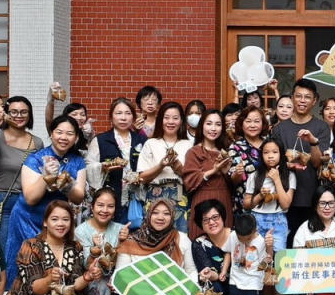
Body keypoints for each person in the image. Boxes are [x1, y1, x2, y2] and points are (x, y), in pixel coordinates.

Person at [6, 115, 87, 287]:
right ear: (51, 134)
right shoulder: (35, 159)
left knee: (53, 266)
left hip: (56, 221)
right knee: (25, 262)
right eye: (59, 132)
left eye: (69, 133)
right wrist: (46, 176)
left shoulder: (77, 161)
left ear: (76, 137)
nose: (63, 137)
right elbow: (30, 198)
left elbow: (78, 197)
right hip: (27, 218)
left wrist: (67, 183)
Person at [116, 199, 198, 295]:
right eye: (155, 213)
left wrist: (189, 293)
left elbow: (191, 271)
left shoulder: (182, 239)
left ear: (172, 216)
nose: (161, 217)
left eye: (166, 213)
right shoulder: (132, 241)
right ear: (148, 215)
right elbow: (122, 273)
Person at [243, 137, 295, 295]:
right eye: (266, 152)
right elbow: (247, 204)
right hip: (257, 222)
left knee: (279, 269)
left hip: (278, 223)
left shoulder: (288, 175)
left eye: (274, 152)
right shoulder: (254, 175)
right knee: (262, 269)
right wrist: (259, 196)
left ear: (281, 154)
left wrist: (275, 180)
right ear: (261, 155)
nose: (270, 156)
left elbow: (285, 204)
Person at [0, 96, 43, 257]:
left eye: (24, 112)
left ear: (29, 115)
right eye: (14, 112)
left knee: (30, 250)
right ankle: (8, 282)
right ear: (6, 113)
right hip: (2, 201)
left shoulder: (36, 142)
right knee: (7, 251)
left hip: (28, 200)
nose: (19, 116)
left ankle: (28, 282)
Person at [270, 78, 331, 238]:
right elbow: (272, 160)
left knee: (312, 242)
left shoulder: (321, 127)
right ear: (292, 98)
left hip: (313, 197)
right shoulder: (280, 129)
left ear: (314, 100)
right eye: (298, 96)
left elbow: (318, 163)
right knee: (287, 243)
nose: (302, 100)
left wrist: (313, 142)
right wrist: (287, 164)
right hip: (285, 197)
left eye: (307, 97)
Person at [74, 188, 129, 295]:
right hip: (90, 275)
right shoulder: (81, 231)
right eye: (100, 205)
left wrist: (124, 242)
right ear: (92, 207)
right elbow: (85, 264)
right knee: (99, 281)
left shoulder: (120, 229)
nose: (105, 210)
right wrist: (93, 250)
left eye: (110, 206)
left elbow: (125, 259)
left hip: (116, 273)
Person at [84, 97, 144, 223]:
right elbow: (88, 166)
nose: (123, 118)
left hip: (135, 198)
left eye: (128, 113)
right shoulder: (100, 140)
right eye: (119, 113)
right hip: (109, 200)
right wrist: (102, 167)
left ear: (133, 117)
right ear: (111, 117)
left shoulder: (141, 140)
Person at [137, 102, 192, 233]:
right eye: (166, 117)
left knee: (180, 238)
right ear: (160, 119)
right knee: (153, 237)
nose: (170, 122)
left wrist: (179, 169)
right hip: (155, 195)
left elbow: (192, 179)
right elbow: (142, 177)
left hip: (180, 196)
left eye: (175, 118)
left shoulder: (189, 145)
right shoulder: (151, 143)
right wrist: (161, 166)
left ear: (181, 121)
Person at [190, 199, 234, 295]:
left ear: (222, 217)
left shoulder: (236, 236)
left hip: (240, 287)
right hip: (218, 285)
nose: (212, 222)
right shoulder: (199, 243)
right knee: (211, 287)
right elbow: (208, 270)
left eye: (215, 217)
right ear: (201, 224)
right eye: (206, 220)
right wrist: (211, 274)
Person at [183, 108, 234, 239]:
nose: (213, 128)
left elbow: (234, 185)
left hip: (223, 198)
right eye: (209, 123)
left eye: (218, 124)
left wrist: (227, 173)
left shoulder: (227, 151)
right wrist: (214, 170)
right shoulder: (194, 152)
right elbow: (189, 182)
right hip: (202, 198)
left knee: (224, 242)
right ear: (202, 126)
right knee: (201, 241)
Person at [228, 105, 269, 214]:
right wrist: (237, 173)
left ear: (263, 124)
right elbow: (233, 181)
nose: (252, 125)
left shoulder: (270, 144)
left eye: (256, 121)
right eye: (248, 121)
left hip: (270, 201)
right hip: (245, 204)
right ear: (241, 124)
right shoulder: (235, 147)